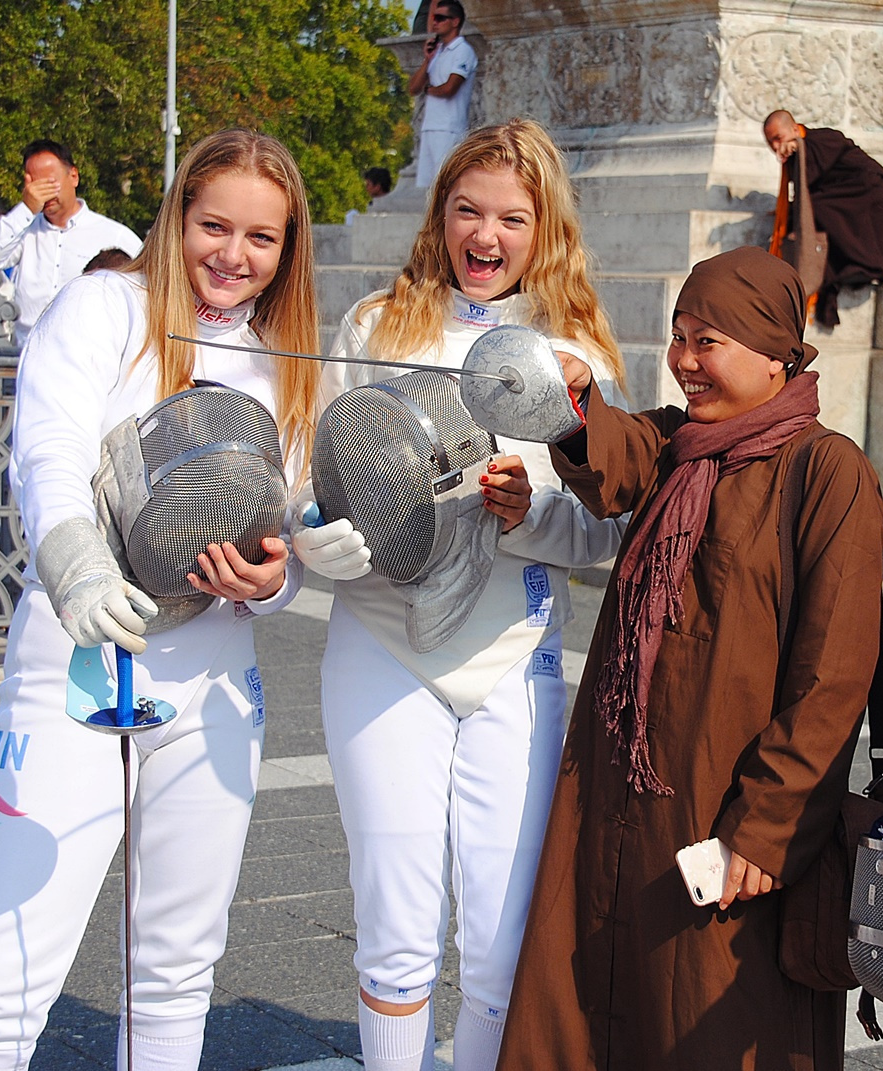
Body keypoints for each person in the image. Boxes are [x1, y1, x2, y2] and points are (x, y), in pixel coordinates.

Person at [0, 129, 322, 1071]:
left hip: (214, 680)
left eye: (260, 239)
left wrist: (278, 582)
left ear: (287, 249)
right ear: (177, 216)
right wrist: (77, 569)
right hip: (76, 663)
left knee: (177, 974)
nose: (233, 256)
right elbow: (49, 450)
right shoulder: (102, 306)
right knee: (4, 970)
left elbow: (294, 521)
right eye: (213, 226)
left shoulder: (287, 357)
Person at [495, 245, 883, 1070]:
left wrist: (766, 826)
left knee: (712, 1014)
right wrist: (571, 403)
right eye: (678, 337)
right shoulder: (680, 445)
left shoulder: (826, 470)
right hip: (621, 790)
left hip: (727, 811)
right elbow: (618, 458)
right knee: (597, 1001)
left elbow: (832, 678)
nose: (683, 360)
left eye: (707, 340)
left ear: (778, 349)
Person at [292, 117, 626, 1071]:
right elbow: (314, 490)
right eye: (467, 210)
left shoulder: (580, 357)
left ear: (544, 227)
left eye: (511, 218)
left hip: (514, 656)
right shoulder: (374, 326)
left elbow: (605, 529)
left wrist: (528, 516)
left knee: (499, 936)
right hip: (381, 648)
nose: (486, 237)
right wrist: (336, 543)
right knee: (395, 919)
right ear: (440, 214)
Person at [0, 139, 144, 338]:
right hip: (28, 351)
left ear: (73, 176)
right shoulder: (25, 232)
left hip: (88, 355)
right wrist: (26, 209)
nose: (43, 192)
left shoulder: (114, 235)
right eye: (35, 185)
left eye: (50, 183)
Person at [763, 109, 883, 328]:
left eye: (778, 138)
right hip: (846, 200)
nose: (777, 147)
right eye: (771, 143)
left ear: (795, 129)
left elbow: (825, 184)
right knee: (814, 210)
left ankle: (867, 264)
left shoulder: (821, 140)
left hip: (870, 196)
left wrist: (801, 147)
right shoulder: (798, 153)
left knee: (821, 210)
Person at [409, 1, 478, 188]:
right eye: (433, 18)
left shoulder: (463, 50)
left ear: (455, 21)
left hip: (450, 127)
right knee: (426, 187)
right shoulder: (437, 52)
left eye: (440, 18)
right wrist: (427, 60)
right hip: (430, 126)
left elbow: (449, 88)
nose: (434, 23)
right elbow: (413, 88)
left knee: (445, 184)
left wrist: (428, 90)